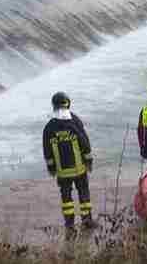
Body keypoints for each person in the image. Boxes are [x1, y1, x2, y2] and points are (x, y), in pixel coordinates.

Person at [43, 91, 96, 233]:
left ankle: (70, 224)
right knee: (84, 193)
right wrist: (89, 160)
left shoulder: (49, 127)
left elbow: (47, 150)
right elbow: (84, 141)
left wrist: (51, 167)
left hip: (62, 172)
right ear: (68, 103)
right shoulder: (74, 121)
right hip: (79, 170)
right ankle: (87, 220)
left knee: (66, 198)